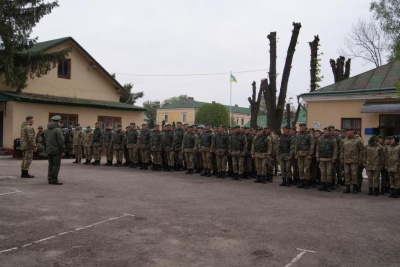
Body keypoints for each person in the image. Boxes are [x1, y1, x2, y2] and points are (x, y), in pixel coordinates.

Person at [340, 128, 364, 194]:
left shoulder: (358, 139)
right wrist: (341, 158)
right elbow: (342, 150)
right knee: (346, 173)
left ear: (353, 131)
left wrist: (360, 159)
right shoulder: (344, 140)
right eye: (347, 131)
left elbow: (362, 150)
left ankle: (354, 188)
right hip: (346, 160)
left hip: (354, 160)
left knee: (354, 174)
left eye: (349, 131)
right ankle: (347, 187)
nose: (347, 132)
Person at [43, 115, 65, 185]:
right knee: (56, 165)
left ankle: (50, 178)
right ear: (58, 121)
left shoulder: (46, 130)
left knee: (50, 164)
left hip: (49, 150)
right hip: (56, 151)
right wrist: (62, 150)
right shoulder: (58, 130)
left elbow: (44, 140)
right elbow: (61, 141)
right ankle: (54, 179)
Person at [316, 127, 338, 192]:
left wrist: (334, 158)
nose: (324, 132)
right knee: (322, 172)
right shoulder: (320, 139)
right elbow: (318, 149)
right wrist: (317, 157)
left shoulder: (333, 139)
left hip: (329, 159)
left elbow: (335, 150)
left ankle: (328, 185)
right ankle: (323, 185)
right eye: (324, 131)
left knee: (328, 173)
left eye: (325, 131)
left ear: (329, 132)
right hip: (322, 159)